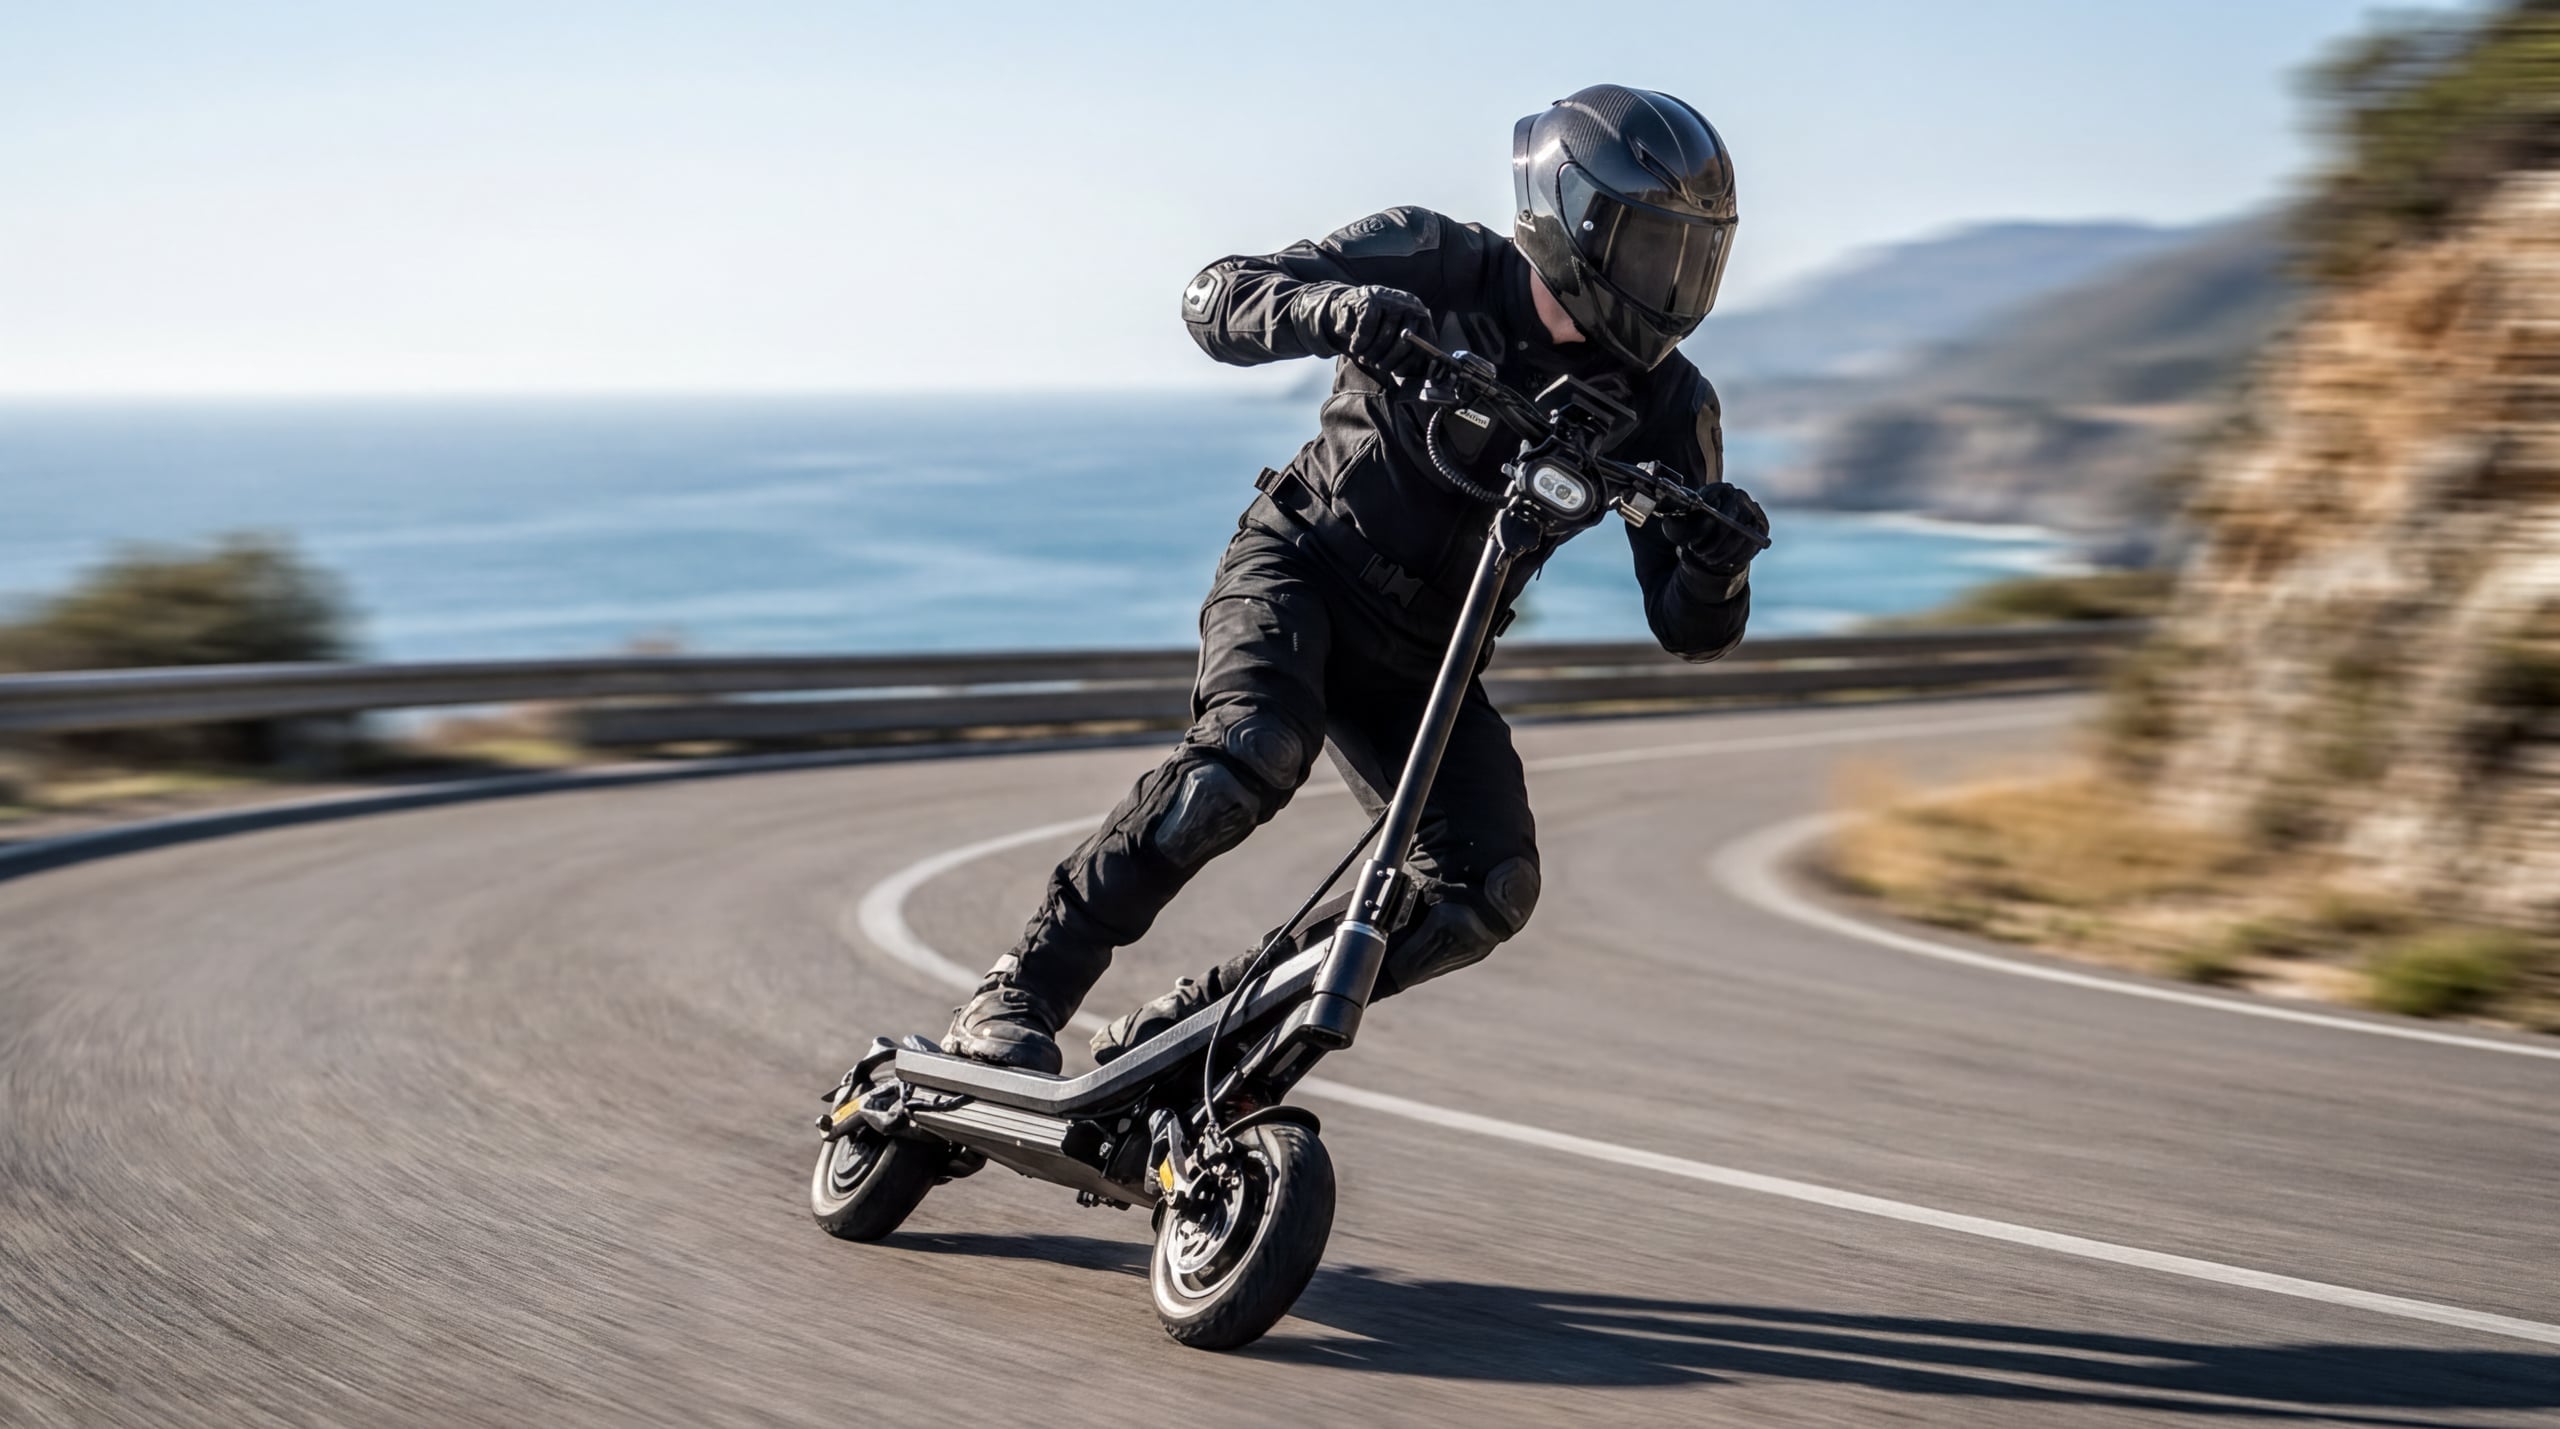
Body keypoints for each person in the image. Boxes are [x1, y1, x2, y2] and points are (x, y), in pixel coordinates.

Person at [945, 83, 1770, 1073]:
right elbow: (1215, 297)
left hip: (1431, 653)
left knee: (1484, 885)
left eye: (1691, 255)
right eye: (1651, 246)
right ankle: (1018, 991)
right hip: (1301, 567)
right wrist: (1328, 306)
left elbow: (1689, 629)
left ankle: (1209, 1033)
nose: (1671, 282)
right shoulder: (1434, 257)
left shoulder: (1673, 405)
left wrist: (1715, 569)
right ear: (1570, 216)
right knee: (1243, 760)